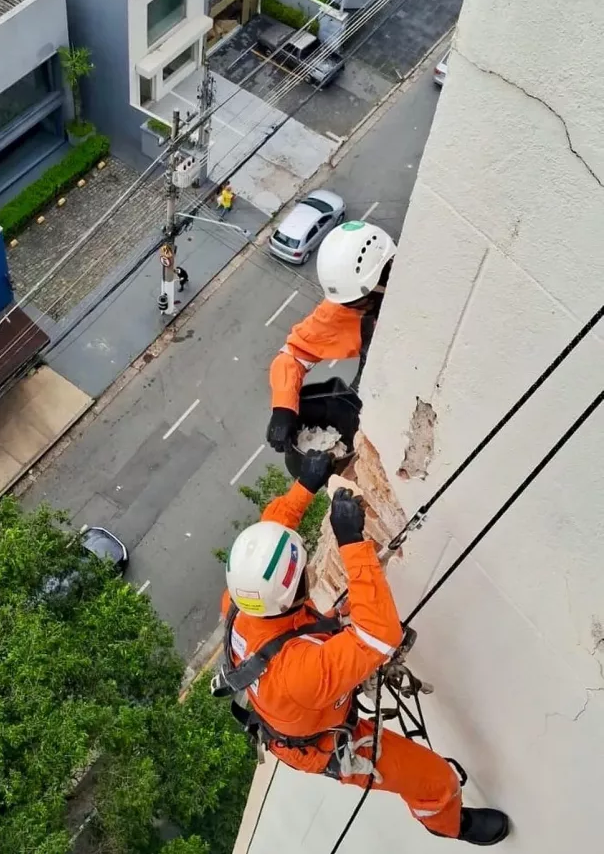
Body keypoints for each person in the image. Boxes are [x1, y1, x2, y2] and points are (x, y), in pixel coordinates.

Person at [216, 456, 509, 846]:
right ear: (294, 592)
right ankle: (448, 824)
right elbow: (379, 637)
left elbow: (272, 533)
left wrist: (305, 486)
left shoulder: (240, 605)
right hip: (326, 743)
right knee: (435, 778)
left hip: (298, 698)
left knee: (339, 621)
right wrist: (352, 542)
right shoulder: (301, 672)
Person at [267, 220, 396, 453]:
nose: (353, 309)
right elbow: (292, 356)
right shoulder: (347, 309)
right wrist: (283, 409)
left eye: (357, 302)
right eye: (348, 304)